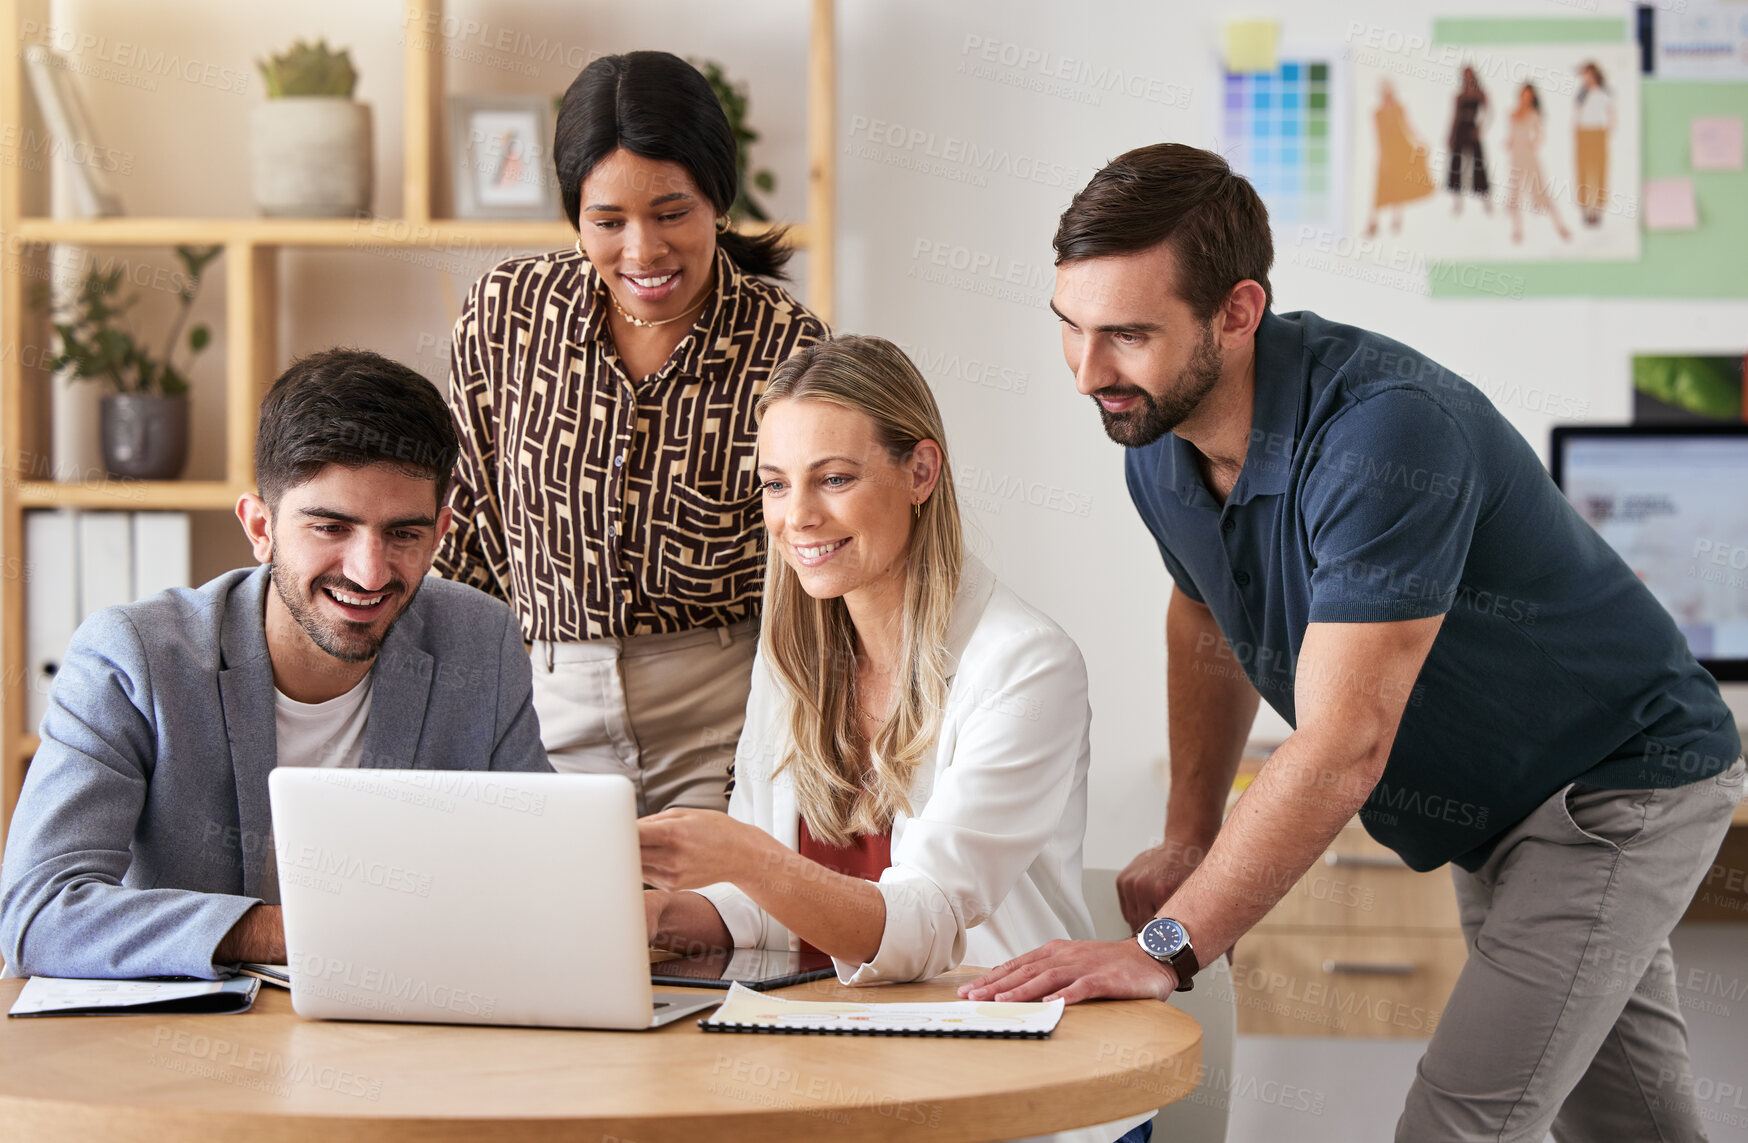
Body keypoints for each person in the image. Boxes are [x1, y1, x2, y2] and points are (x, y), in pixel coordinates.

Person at [962, 144, 1743, 1142]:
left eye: (1125, 335)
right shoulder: (1159, 439)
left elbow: (1341, 744)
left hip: (1613, 787)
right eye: (1068, 330)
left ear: (1237, 312)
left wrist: (1166, 944)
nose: (1086, 375)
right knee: (1628, 1125)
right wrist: (1186, 832)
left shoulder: (1384, 435)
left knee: (1458, 1122)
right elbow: (1202, 609)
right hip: (1493, 803)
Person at [638, 336, 1151, 1143]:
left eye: (834, 478)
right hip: (862, 1070)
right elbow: (778, 905)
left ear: (920, 472)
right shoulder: (796, 655)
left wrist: (737, 853)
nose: (797, 516)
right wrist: (659, 912)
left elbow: (924, 925)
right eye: (777, 484)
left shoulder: (1025, 665)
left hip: (1020, 1089)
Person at [0, 349, 552, 980]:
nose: (369, 573)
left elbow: (536, 871)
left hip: (405, 1033)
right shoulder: (133, 657)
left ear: (441, 531)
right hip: (191, 1046)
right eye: (330, 527)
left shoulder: (481, 642)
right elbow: (37, 916)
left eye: (404, 534)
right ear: (260, 526)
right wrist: (294, 933)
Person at [436, 50, 828, 816]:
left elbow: (813, 552)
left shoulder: (788, 344)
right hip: (541, 715)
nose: (642, 251)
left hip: (728, 720)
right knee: (555, 932)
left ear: (718, 195)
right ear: (574, 215)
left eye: (671, 213)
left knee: (711, 933)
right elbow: (468, 532)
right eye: (607, 222)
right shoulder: (508, 315)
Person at [1365, 79, 1435, 238]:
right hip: (1387, 153)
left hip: (1401, 150)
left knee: (1399, 186)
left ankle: (1396, 220)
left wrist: (1421, 140)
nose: (1387, 95)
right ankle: (1373, 223)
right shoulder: (1376, 113)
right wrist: (1382, 156)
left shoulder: (1399, 109)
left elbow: (1408, 127)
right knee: (1380, 188)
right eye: (1385, 93)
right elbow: (1378, 136)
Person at [1504, 82, 1572, 244]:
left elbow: (1540, 135)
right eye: (1523, 94)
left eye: (1529, 95)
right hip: (1516, 157)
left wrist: (1533, 143)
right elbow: (1511, 135)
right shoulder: (1513, 114)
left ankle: (1560, 226)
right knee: (1515, 193)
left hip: (1529, 156)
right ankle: (1517, 230)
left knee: (1541, 190)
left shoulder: (1535, 114)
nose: (1526, 97)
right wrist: (1510, 143)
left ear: (1532, 97)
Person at [1446, 66, 1492, 216]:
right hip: (1461, 129)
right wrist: (1450, 135)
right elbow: (1455, 116)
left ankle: (1485, 198)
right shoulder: (1460, 96)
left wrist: (1480, 128)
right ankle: (1457, 202)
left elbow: (1488, 113)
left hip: (1472, 129)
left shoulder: (1481, 94)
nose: (1467, 78)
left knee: (1478, 161)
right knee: (1457, 163)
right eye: (1465, 76)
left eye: (1470, 75)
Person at [1574, 61, 1615, 227]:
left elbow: (1611, 114)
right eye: (1584, 75)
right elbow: (1576, 116)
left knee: (1599, 171)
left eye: (1588, 74)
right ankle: (1584, 209)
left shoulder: (1604, 93)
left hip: (1598, 133)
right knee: (1583, 171)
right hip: (1583, 134)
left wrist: (1607, 131)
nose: (1586, 78)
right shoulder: (1581, 95)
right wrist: (1576, 133)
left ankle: (1598, 210)